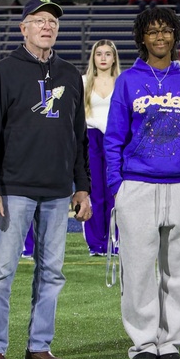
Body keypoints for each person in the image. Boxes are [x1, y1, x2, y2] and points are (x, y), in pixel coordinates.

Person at [0, 0, 92, 359]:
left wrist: (82, 186)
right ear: (23, 28)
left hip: (58, 191)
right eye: (39, 20)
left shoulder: (71, 75)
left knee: (52, 272)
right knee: (1, 272)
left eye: (52, 22)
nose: (47, 27)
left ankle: (39, 346)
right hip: (14, 190)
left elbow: (79, 137)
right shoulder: (5, 72)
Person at [103, 8, 180, 359]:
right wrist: (117, 186)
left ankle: (172, 341)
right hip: (138, 185)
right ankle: (144, 342)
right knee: (140, 269)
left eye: (166, 30)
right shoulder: (127, 80)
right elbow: (113, 138)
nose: (160, 37)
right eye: (152, 31)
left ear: (175, 36)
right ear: (141, 38)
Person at [81, 39, 121, 257]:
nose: (103, 58)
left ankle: (115, 241)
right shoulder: (84, 81)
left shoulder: (122, 81)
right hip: (91, 137)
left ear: (114, 57)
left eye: (107, 54)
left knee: (114, 192)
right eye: (99, 54)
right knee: (95, 192)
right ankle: (96, 243)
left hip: (115, 139)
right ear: (93, 57)